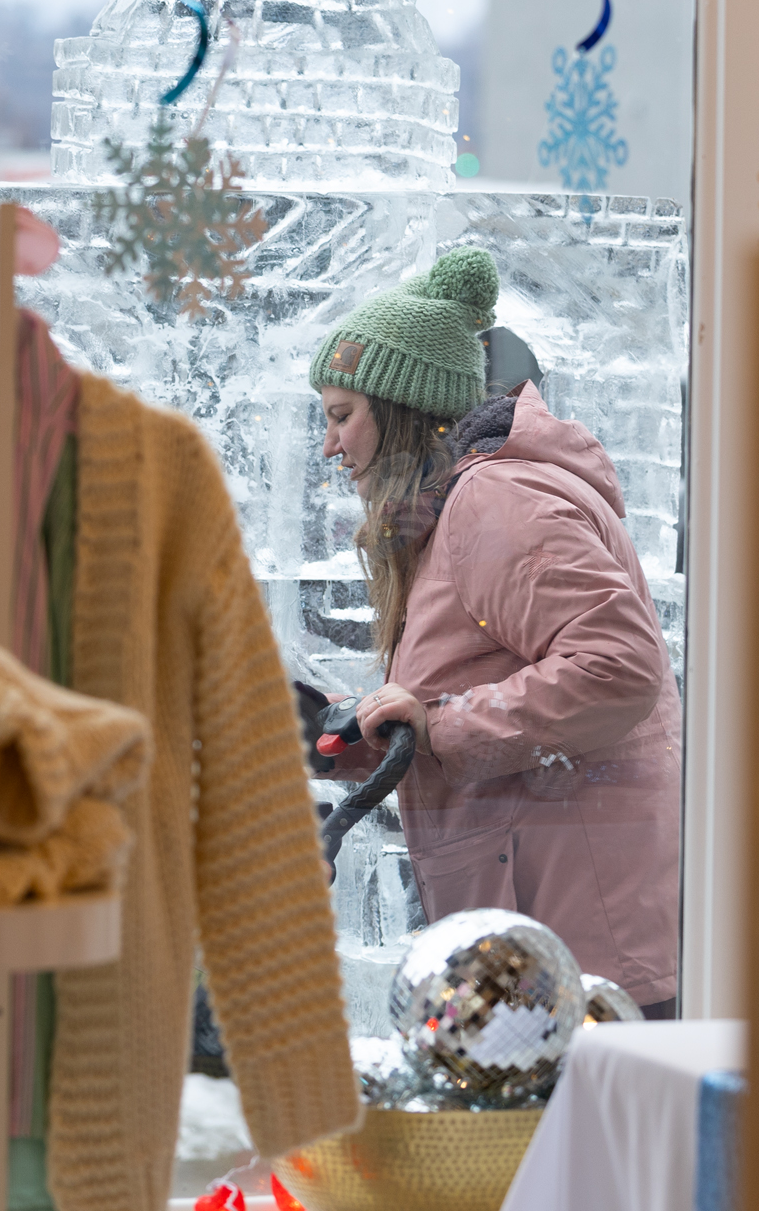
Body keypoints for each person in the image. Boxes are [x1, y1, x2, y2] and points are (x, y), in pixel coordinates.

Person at [309, 247, 683, 1018]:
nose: (330, 446)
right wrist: (372, 731)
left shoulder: (493, 503)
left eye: (342, 416)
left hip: (574, 952)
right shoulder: (457, 509)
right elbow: (475, 686)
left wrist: (440, 727)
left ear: (403, 408)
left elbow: (617, 668)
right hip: (540, 943)